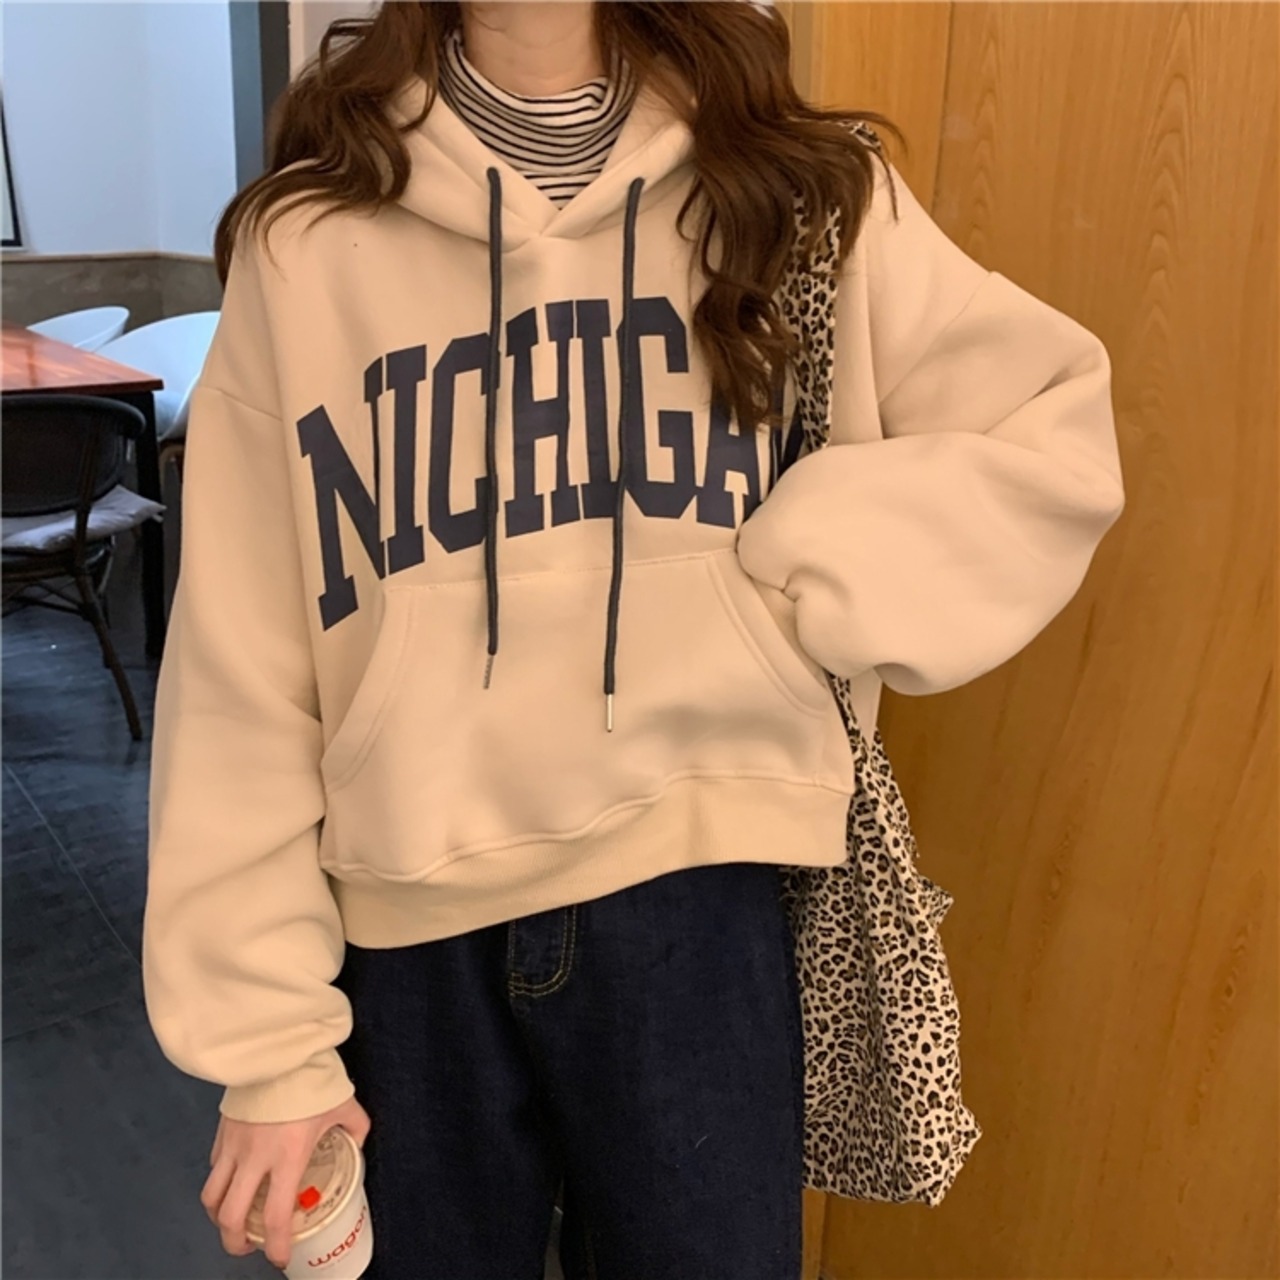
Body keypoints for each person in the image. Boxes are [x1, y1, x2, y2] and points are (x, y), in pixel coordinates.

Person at [141, 2, 1126, 1277]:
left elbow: (1048, 435)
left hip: (695, 895)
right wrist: (269, 1047)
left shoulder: (794, 193)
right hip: (407, 923)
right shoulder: (309, 238)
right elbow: (241, 663)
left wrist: (801, 573)